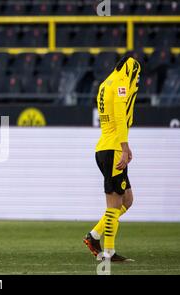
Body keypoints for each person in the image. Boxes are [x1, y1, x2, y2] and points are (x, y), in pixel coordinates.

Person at [83, 55, 141, 262]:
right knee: (114, 204)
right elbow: (119, 116)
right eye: (138, 74)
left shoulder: (107, 82)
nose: (138, 80)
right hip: (114, 150)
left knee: (127, 200)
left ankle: (94, 236)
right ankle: (108, 253)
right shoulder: (121, 83)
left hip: (106, 147)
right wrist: (124, 148)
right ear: (131, 69)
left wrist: (125, 145)